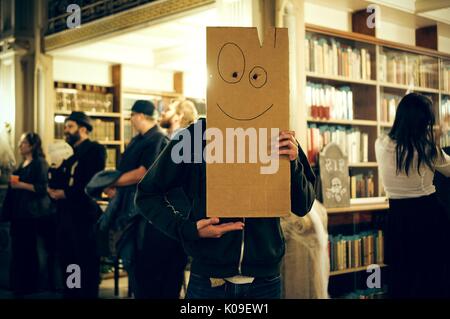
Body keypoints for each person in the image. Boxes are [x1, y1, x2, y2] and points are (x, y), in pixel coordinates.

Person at [135, 118, 316, 299]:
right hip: (209, 279)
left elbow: (304, 204)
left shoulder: (278, 134)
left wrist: (293, 164)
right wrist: (187, 229)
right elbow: (147, 194)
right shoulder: (196, 136)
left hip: (265, 282)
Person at [103, 100, 186, 299]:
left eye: (168, 110)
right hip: (136, 212)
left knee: (151, 270)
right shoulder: (139, 140)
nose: (130, 120)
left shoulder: (159, 139)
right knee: (139, 268)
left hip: (149, 215)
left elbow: (143, 174)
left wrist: (113, 183)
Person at [375, 93, 450, 299]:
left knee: (402, 280)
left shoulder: (380, 144)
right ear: (424, 122)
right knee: (431, 281)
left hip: (399, 221)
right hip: (430, 219)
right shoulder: (428, 151)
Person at [48, 112, 106, 299]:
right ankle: (72, 293)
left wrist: (66, 193)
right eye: (65, 127)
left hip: (83, 216)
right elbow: (61, 180)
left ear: (83, 129)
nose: (66, 131)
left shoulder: (95, 150)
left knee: (85, 260)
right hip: (65, 216)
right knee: (68, 260)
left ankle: (85, 295)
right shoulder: (69, 154)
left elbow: (91, 181)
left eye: (70, 127)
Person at [0, 132, 54, 297]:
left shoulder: (40, 164)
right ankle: (19, 284)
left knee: (28, 250)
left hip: (31, 214)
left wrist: (20, 185)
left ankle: (29, 285)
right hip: (19, 212)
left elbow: (42, 188)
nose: (19, 146)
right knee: (18, 250)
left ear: (31, 145)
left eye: (22, 143)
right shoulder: (23, 164)